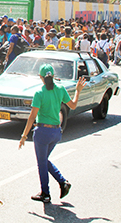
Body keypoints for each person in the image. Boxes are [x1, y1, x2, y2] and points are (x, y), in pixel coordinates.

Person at [18, 64, 87, 203]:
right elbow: (73, 105)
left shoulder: (39, 93)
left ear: (41, 77)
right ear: (54, 76)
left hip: (42, 132)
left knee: (41, 163)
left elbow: (32, 117)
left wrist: (24, 136)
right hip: (56, 132)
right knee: (44, 160)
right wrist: (78, 91)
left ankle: (46, 193)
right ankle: (62, 183)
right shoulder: (61, 89)